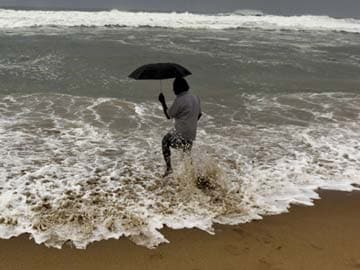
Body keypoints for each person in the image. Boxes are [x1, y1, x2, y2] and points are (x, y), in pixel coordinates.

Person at [158, 77, 202, 177]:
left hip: (180, 133)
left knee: (165, 141)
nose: (173, 90)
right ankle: (191, 175)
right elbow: (199, 114)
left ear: (178, 88)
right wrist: (190, 122)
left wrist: (163, 102)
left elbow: (168, 115)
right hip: (191, 133)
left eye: (174, 88)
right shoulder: (195, 97)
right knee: (187, 153)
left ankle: (169, 168)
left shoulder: (180, 100)